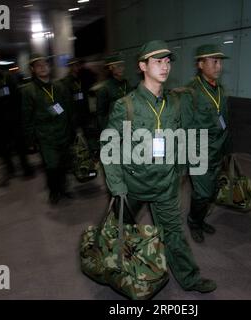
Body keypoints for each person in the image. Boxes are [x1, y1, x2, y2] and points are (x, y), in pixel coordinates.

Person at [102, 40, 217, 293]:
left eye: (167, 62)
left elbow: (181, 138)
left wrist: (180, 171)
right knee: (118, 231)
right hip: (132, 185)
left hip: (164, 184)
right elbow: (110, 146)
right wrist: (117, 186)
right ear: (143, 66)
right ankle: (111, 268)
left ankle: (190, 279)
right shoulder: (127, 105)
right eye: (157, 61)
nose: (164, 67)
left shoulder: (174, 103)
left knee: (174, 234)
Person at [185, 44, 231, 243]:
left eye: (220, 62)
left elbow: (225, 122)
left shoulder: (220, 90)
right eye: (214, 61)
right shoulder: (191, 92)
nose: (219, 66)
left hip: (217, 150)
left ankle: (200, 219)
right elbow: (184, 126)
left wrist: (227, 151)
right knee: (202, 192)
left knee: (211, 191)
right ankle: (193, 222)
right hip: (199, 151)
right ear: (200, 64)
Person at [21, 53, 74, 205]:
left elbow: (68, 109)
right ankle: (54, 191)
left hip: (63, 132)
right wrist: (30, 140)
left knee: (64, 164)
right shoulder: (28, 90)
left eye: (45, 64)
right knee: (52, 165)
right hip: (45, 136)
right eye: (38, 65)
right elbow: (26, 117)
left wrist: (72, 130)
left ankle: (63, 189)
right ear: (32, 69)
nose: (43, 67)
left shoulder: (59, 86)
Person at [0, 49, 34, 187]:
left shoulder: (8, 76)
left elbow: (17, 95)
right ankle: (10, 169)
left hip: (13, 116)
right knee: (4, 146)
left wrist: (21, 113)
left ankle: (25, 167)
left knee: (20, 143)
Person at [95, 53, 130, 132]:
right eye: (117, 66)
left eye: (122, 66)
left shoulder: (126, 84)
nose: (121, 69)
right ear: (111, 68)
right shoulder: (105, 88)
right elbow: (101, 115)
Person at [60, 58, 91, 131]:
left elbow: (83, 96)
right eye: (73, 65)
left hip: (82, 113)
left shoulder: (80, 79)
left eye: (77, 65)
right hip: (74, 115)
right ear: (69, 67)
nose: (76, 67)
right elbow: (67, 101)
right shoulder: (65, 82)